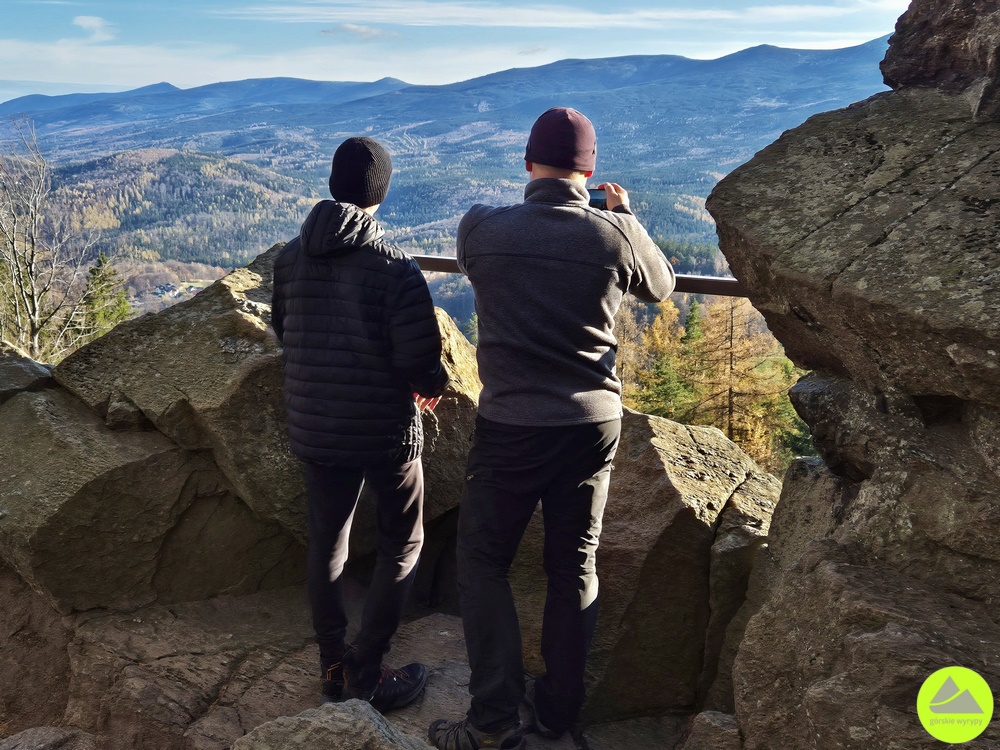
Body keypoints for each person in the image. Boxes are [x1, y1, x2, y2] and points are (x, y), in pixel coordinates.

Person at [428, 107, 675, 750]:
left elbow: (486, 259)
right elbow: (662, 287)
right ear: (589, 171)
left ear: (527, 163)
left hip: (510, 423)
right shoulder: (613, 235)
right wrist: (625, 215)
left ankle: (492, 720)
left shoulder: (481, 227)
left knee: (483, 563)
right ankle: (559, 719)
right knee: (573, 567)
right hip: (591, 425)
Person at [271, 136, 449, 712]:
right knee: (404, 541)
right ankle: (367, 672)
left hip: (315, 427)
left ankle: (332, 665)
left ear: (332, 184)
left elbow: (283, 332)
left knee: (327, 543)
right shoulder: (395, 266)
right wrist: (434, 384)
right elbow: (420, 362)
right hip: (383, 432)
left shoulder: (289, 259)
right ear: (382, 192)